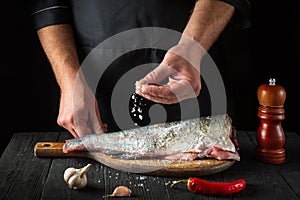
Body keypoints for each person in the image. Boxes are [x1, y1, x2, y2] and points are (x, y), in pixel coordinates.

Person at [28, 0, 251, 138]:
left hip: (194, 84)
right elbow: (47, 4)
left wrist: (190, 48)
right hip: (95, 100)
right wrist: (70, 81)